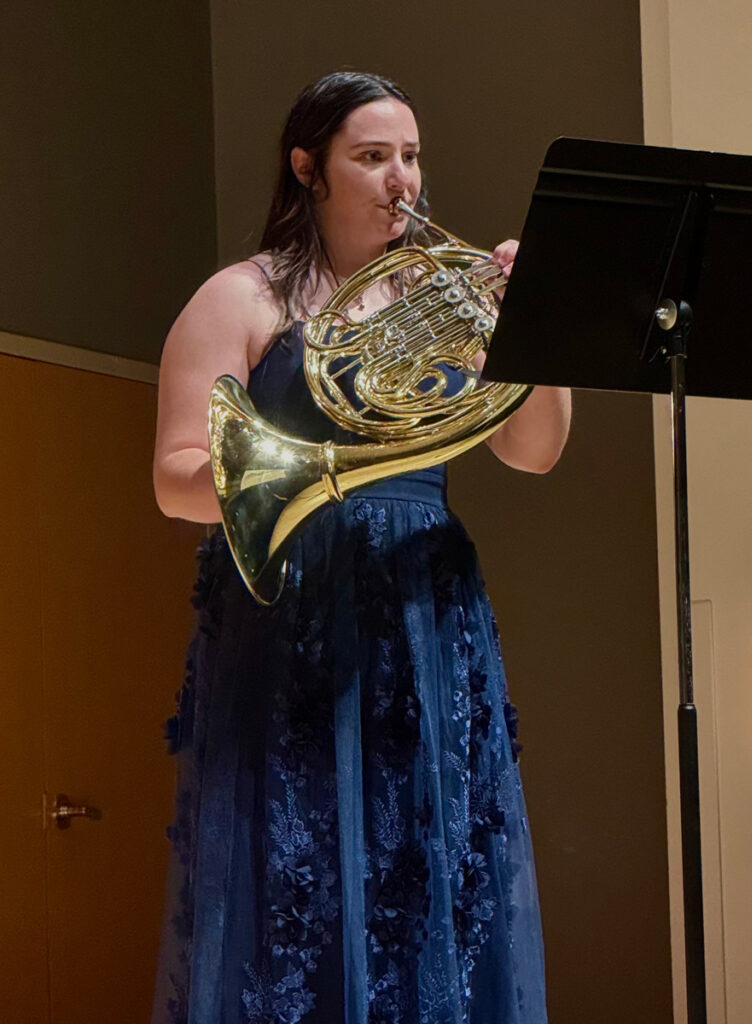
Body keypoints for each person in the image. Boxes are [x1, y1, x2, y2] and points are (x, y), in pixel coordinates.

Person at [151, 71, 571, 1024]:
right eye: (372, 157)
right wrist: (325, 455)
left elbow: (534, 451)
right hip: (293, 601)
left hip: (425, 603)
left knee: (435, 870)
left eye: (411, 157)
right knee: (298, 871)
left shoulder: (449, 294)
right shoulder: (243, 297)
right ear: (310, 169)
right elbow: (176, 477)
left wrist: (531, 324)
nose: (401, 181)